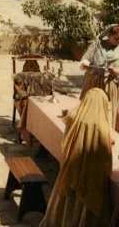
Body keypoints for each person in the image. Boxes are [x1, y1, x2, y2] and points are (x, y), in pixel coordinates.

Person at [40, 88, 113, 227]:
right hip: (90, 176)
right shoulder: (101, 125)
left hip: (71, 168)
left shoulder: (74, 116)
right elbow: (104, 152)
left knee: (65, 200)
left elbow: (65, 141)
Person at [80, 24, 119, 131]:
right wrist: (85, 64)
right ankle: (88, 133)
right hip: (93, 83)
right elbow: (86, 58)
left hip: (110, 85)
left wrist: (117, 71)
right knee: (90, 110)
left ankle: (105, 135)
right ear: (109, 35)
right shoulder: (97, 45)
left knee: (108, 111)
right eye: (116, 38)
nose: (118, 41)